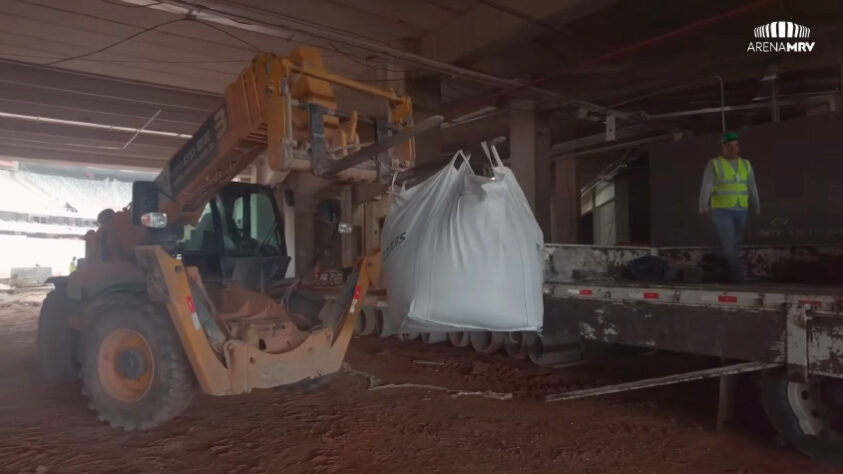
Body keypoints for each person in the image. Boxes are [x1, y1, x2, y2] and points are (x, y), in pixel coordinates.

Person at [699, 131, 760, 282]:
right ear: (723, 148)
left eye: (735, 145)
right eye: (729, 146)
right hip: (722, 210)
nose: (733, 149)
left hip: (741, 209)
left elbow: (752, 187)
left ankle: (723, 271)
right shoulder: (714, 164)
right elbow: (706, 186)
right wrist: (704, 207)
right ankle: (737, 277)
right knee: (728, 242)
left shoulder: (746, 164)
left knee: (735, 244)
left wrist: (756, 206)